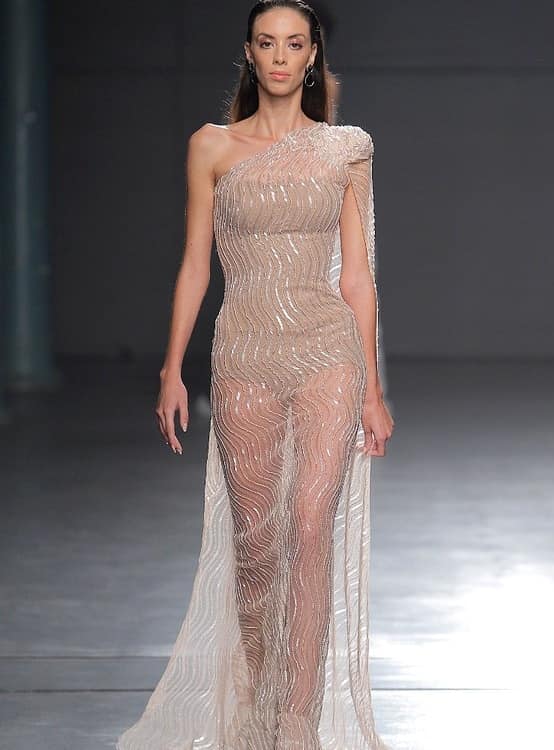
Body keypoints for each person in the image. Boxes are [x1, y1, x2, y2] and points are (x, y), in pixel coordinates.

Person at [116, 1, 394, 748]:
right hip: (244, 352)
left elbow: (358, 277)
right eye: (267, 43)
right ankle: (260, 704)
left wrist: (372, 391)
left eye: (294, 44)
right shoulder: (211, 146)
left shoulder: (346, 149)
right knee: (257, 544)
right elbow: (194, 265)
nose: (279, 56)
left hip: (327, 352)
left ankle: (296, 723)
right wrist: (172, 369)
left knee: (310, 526)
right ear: (249, 52)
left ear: (312, 56)